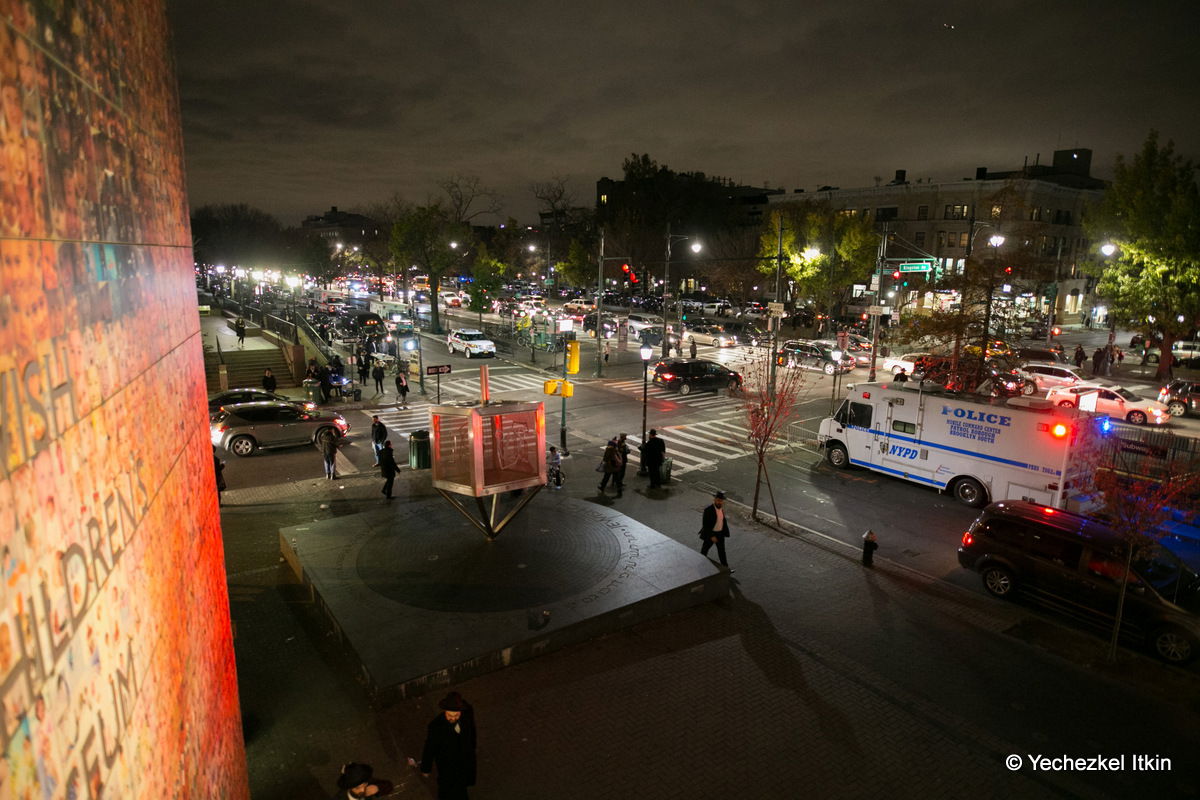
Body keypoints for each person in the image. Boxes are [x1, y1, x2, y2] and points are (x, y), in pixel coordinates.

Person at [420, 691, 477, 800]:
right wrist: (426, 768)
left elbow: (472, 732)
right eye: (450, 715)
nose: (453, 718)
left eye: (456, 715)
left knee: (461, 787)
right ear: (444, 711)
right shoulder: (436, 727)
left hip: (464, 761)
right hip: (447, 763)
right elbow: (429, 748)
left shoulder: (466, 717)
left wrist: (472, 747)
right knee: (446, 788)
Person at [698, 490, 732, 569]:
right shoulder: (708, 510)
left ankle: (726, 568)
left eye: (721, 501)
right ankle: (700, 566)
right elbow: (705, 525)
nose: (720, 502)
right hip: (711, 534)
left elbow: (722, 521)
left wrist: (724, 532)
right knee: (704, 550)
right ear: (714, 500)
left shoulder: (721, 509)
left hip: (720, 534)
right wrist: (711, 536)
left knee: (722, 552)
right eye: (718, 500)